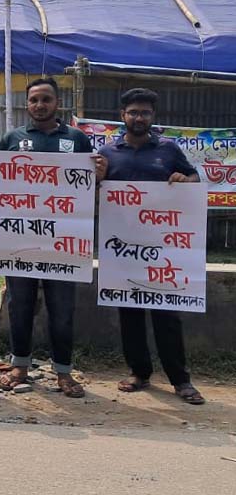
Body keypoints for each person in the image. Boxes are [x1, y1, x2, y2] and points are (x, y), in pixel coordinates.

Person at [0, 77, 106, 398]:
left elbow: (87, 187)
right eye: (34, 100)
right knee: (19, 305)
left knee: (62, 310)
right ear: (27, 104)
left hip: (63, 245)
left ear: (57, 103)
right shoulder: (12, 139)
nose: (40, 105)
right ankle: (19, 365)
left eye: (46, 99)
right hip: (19, 242)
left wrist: (99, 174)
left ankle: (63, 372)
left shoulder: (76, 140)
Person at [100, 88, 205, 405]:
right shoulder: (107, 154)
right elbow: (94, 191)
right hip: (123, 248)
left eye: (145, 112)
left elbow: (194, 179)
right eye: (133, 112)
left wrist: (186, 182)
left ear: (153, 117)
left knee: (167, 316)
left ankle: (180, 380)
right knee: (129, 313)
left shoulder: (169, 150)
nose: (139, 117)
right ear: (122, 116)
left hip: (163, 249)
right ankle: (139, 372)